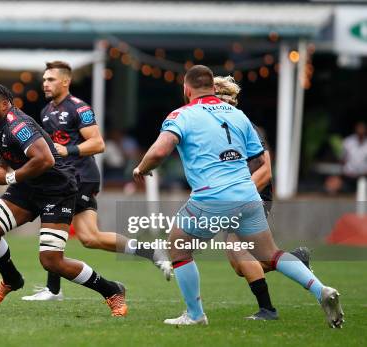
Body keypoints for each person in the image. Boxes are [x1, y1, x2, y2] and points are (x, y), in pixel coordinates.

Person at [133, 65, 343, 328]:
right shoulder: (238, 115)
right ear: (212, 87)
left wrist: (142, 168)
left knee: (177, 245)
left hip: (212, 196)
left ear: (186, 89)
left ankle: (195, 315)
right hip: (247, 194)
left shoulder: (181, 115)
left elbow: (159, 152)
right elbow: (259, 158)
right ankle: (320, 289)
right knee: (270, 254)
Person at [0, 84, 128, 316]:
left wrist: (9, 176)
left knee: (51, 261)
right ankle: (11, 280)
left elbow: (46, 159)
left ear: (4, 104)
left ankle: (112, 290)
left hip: (56, 189)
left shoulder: (19, 126)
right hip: (27, 186)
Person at [21, 61, 170, 302]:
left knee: (63, 228)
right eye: (44, 79)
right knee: (87, 237)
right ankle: (151, 252)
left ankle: (54, 290)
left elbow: (98, 144)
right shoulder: (46, 111)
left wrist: (67, 150)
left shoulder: (79, 108)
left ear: (65, 81)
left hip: (82, 177)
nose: (45, 83)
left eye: (51, 79)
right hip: (64, 179)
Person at [214, 76, 311, 320]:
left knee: (239, 253)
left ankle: (268, 309)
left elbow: (265, 171)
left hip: (252, 197)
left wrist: (240, 196)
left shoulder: (244, 125)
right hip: (237, 197)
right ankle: (294, 260)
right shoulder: (217, 127)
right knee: (239, 266)